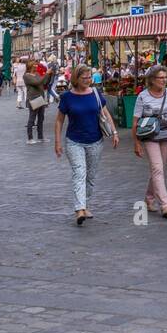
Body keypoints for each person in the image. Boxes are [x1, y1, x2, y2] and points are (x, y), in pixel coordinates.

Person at [55, 66, 118, 227]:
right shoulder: (67, 97)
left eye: (89, 77)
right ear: (76, 78)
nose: (88, 80)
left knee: (90, 176)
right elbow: (60, 120)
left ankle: (85, 204)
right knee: (79, 172)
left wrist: (115, 132)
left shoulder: (95, 93)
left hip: (95, 141)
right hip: (74, 141)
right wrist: (57, 141)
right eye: (85, 78)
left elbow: (105, 113)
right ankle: (79, 209)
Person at [132, 66, 167, 218]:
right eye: (161, 78)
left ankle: (149, 198)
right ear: (152, 80)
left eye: (166, 77)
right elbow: (135, 122)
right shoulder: (142, 96)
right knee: (158, 168)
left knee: (158, 169)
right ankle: (165, 205)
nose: (164, 80)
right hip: (150, 136)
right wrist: (137, 143)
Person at [24, 58, 48, 144]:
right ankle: (30, 138)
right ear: (30, 66)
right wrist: (45, 75)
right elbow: (37, 82)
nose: (36, 66)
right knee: (32, 118)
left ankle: (40, 137)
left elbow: (44, 82)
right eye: (34, 65)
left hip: (40, 97)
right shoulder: (26, 76)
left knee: (41, 118)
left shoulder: (37, 74)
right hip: (33, 98)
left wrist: (49, 75)